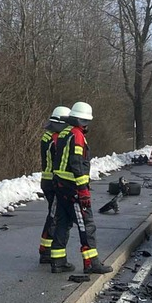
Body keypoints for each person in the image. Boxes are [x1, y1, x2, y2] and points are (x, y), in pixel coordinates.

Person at [50, 102, 112, 275]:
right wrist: (83, 190)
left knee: (63, 223)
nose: (87, 126)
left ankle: (58, 261)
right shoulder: (76, 135)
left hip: (61, 186)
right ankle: (91, 263)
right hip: (73, 189)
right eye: (86, 122)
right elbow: (77, 163)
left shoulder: (64, 132)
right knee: (87, 225)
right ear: (81, 120)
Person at [38, 106, 71, 264]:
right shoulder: (55, 138)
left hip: (47, 180)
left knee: (53, 214)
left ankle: (46, 248)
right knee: (54, 216)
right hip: (53, 182)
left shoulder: (48, 136)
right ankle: (46, 251)